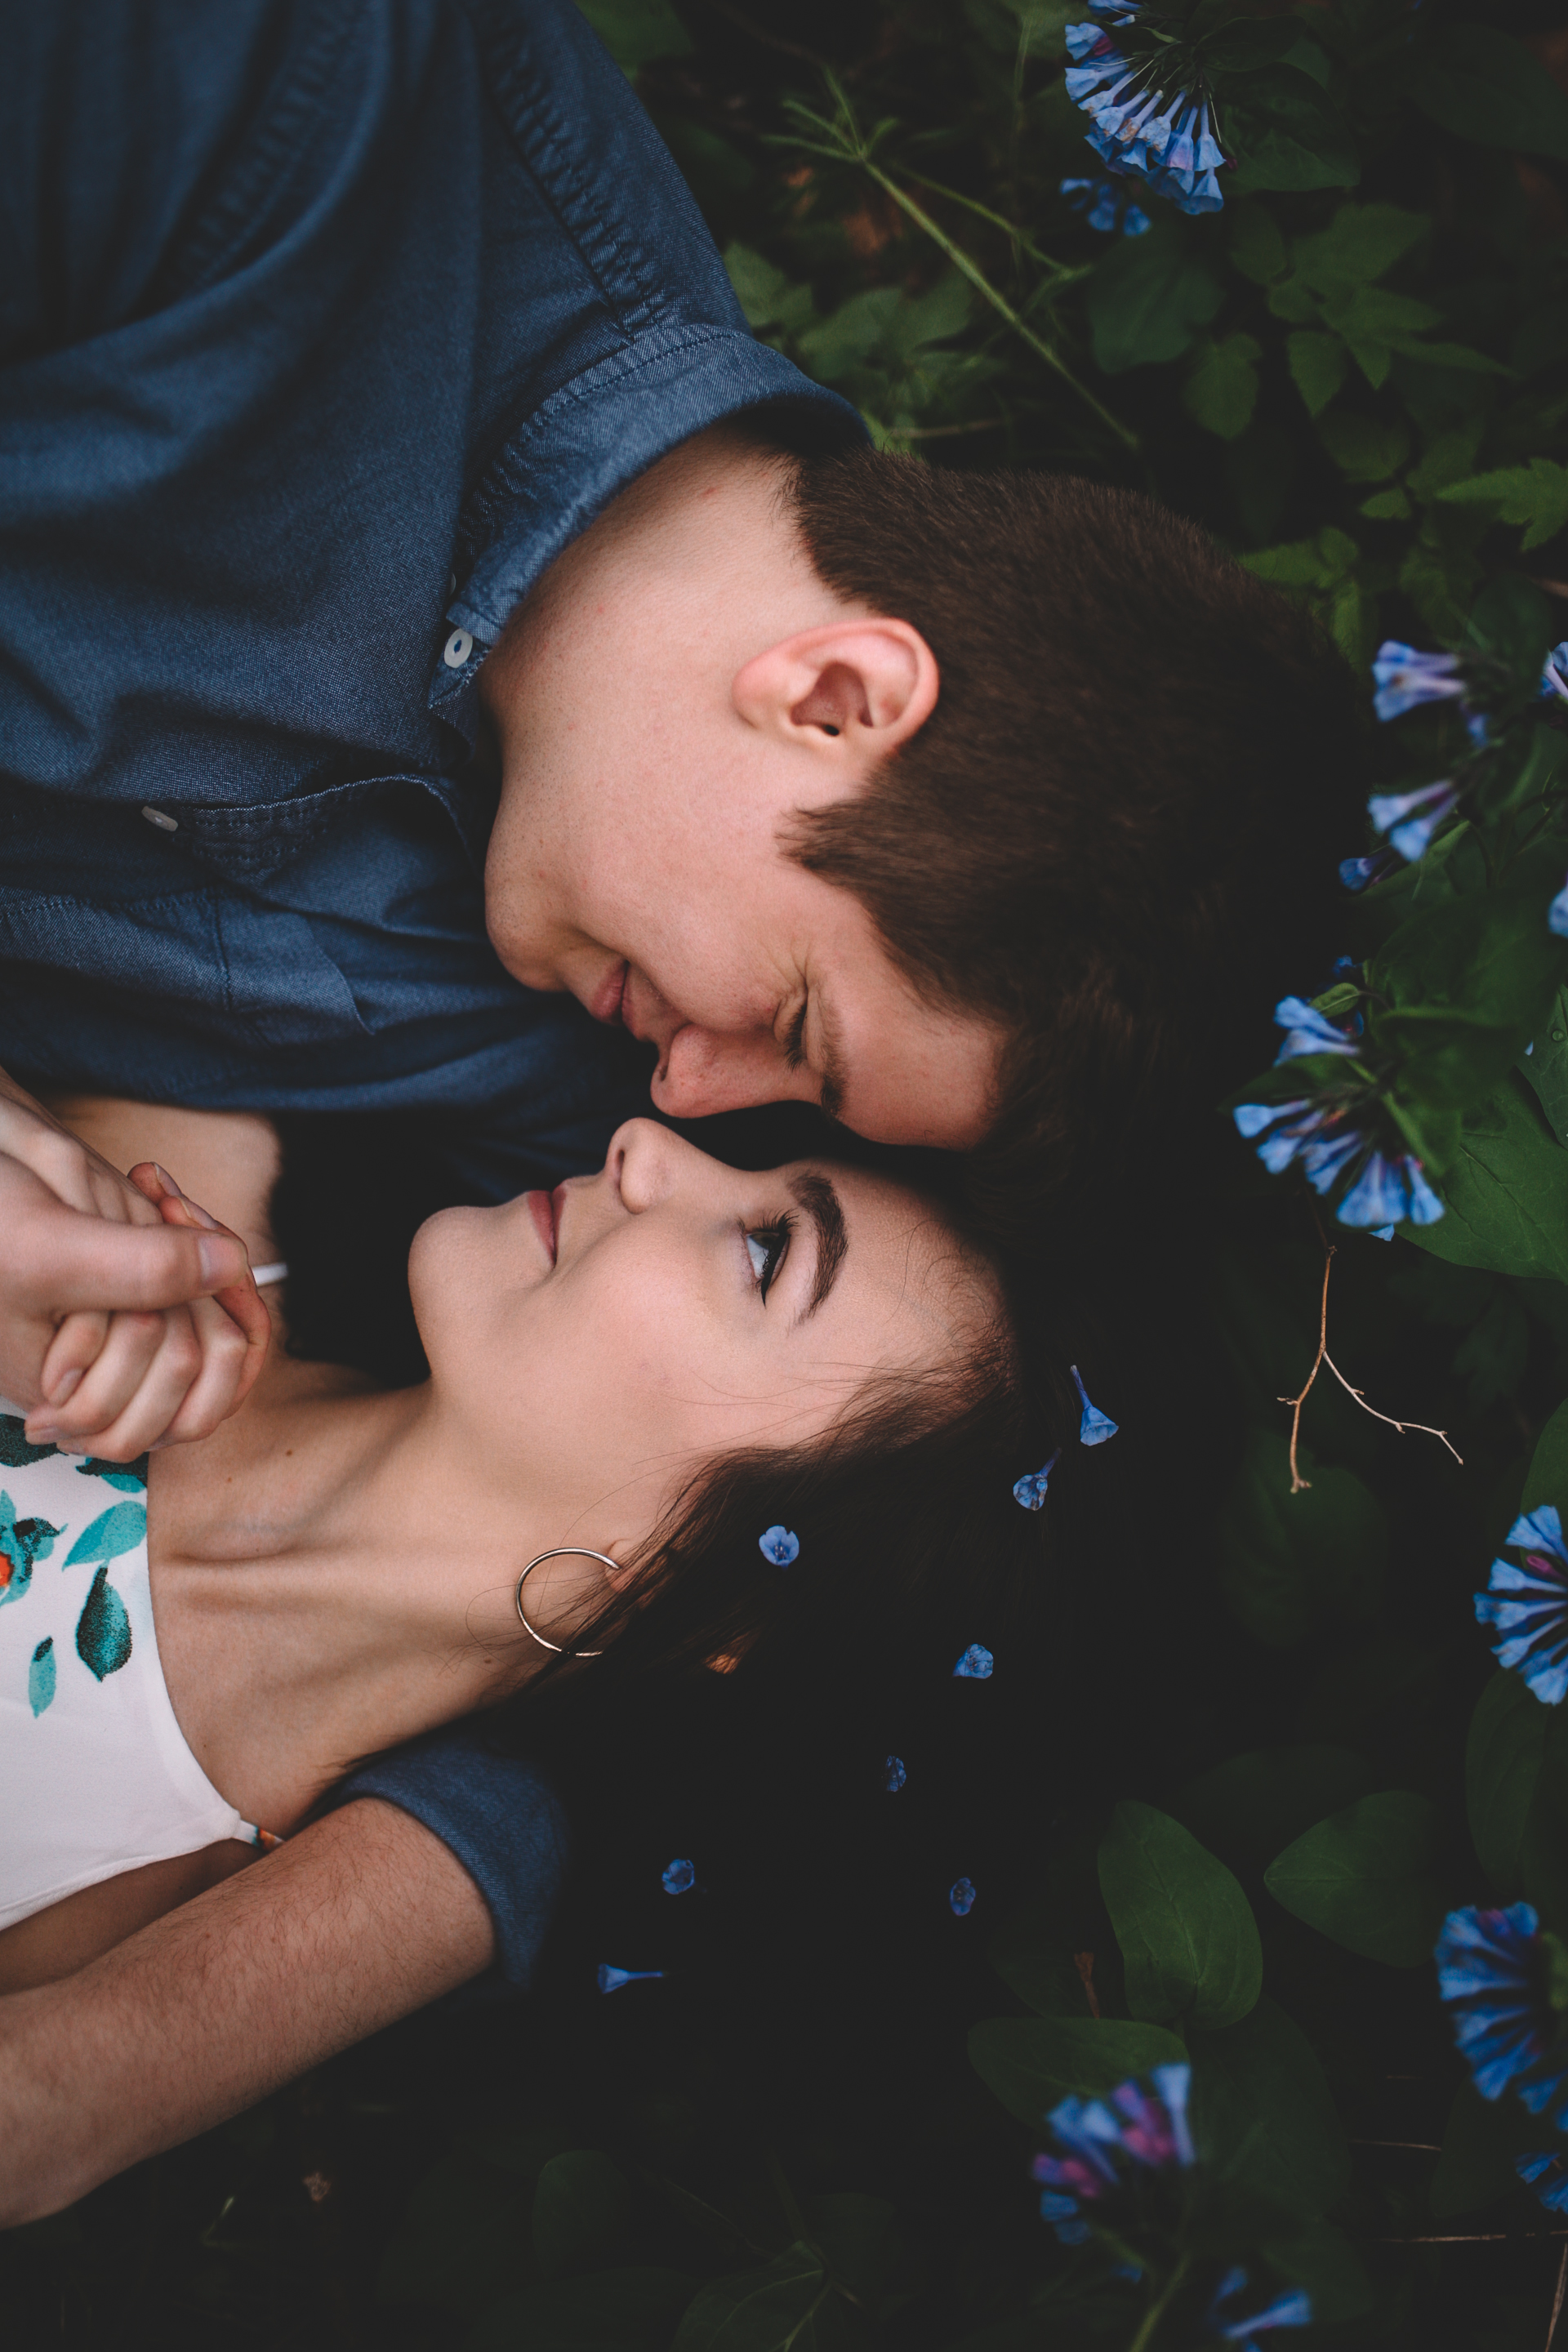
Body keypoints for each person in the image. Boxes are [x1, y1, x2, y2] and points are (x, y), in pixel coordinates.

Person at [0, 1091, 1044, 2215]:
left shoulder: (183, 1890)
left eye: (764, 1251)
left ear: (712, 1594)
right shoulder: (187, 1202)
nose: (646, 1146)